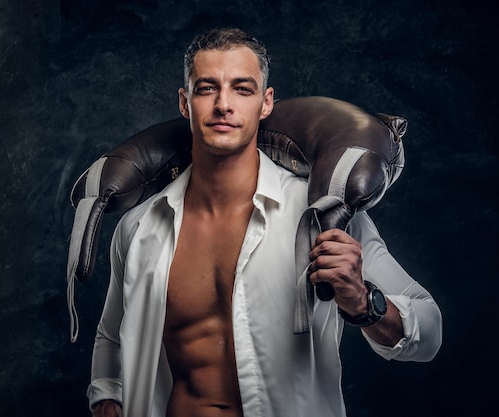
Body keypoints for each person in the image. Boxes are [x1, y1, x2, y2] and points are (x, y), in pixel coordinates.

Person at [86, 28, 442, 417]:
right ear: (185, 103)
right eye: (207, 88)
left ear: (266, 102)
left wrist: (362, 302)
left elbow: (429, 329)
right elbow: (113, 336)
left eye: (242, 88)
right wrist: (107, 397)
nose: (224, 104)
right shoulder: (138, 229)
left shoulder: (322, 217)